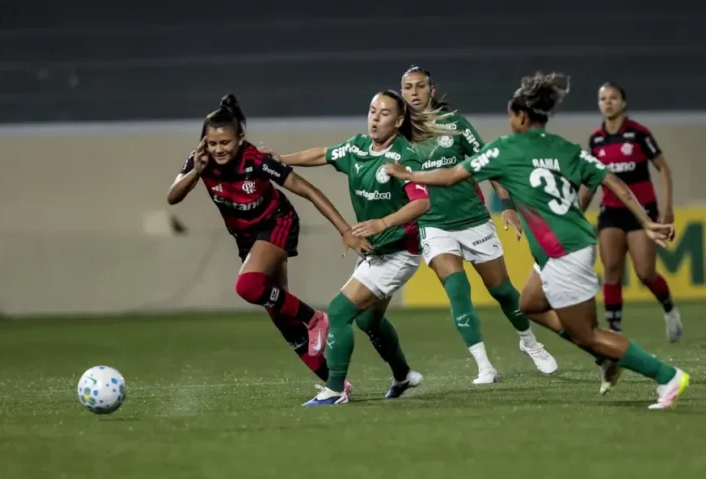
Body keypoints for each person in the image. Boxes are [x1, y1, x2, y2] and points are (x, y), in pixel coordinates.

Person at [385, 72, 690, 409]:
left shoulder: (505, 149)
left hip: (562, 252)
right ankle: (601, 353)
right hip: (572, 243)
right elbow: (613, 180)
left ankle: (666, 375)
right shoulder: (566, 148)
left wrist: (409, 174)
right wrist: (646, 222)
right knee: (529, 305)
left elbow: (452, 176)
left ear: (520, 117)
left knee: (589, 334)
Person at [167, 94, 371, 393]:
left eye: (225, 142)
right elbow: (173, 196)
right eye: (212, 143)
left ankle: (316, 319)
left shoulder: (255, 160)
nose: (218, 149)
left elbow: (308, 190)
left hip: (277, 223)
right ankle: (336, 384)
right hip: (247, 240)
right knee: (281, 316)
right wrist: (196, 171)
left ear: (240, 140)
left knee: (247, 286)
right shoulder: (200, 162)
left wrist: (345, 230)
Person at [266, 90, 448, 406]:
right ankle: (403, 375)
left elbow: (422, 203)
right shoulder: (357, 147)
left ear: (399, 121)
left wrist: (382, 223)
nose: (375, 118)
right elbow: (323, 154)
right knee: (368, 321)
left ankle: (335, 390)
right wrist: (282, 159)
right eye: (372, 111)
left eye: (384, 113)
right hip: (376, 252)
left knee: (339, 311)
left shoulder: (404, 156)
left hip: (399, 252)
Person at [400, 65, 558, 383]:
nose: (414, 92)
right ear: (402, 93)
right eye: (408, 87)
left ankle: (529, 342)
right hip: (434, 225)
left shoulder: (455, 125)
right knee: (458, 291)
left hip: (472, 219)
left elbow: (490, 165)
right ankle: (484, 366)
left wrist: (508, 206)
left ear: (432, 90)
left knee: (504, 292)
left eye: (420, 86)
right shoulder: (399, 133)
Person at [579, 82, 682, 341]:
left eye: (613, 97)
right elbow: (592, 180)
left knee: (645, 272)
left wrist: (667, 208)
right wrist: (578, 211)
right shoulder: (596, 139)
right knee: (611, 270)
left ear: (623, 103)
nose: (607, 102)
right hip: (611, 212)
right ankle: (615, 332)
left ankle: (669, 308)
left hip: (642, 213)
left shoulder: (638, 133)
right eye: (603, 98)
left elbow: (663, 169)